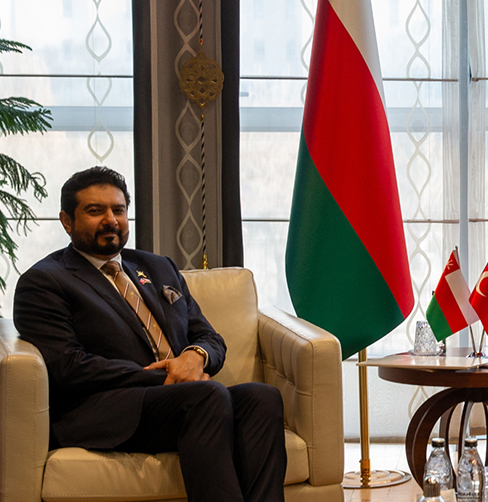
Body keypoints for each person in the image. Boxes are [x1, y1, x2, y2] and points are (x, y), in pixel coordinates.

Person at [13, 166, 287, 502]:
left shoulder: (158, 267)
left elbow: (208, 336)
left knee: (262, 398)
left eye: (118, 210)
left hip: (182, 399)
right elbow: (67, 366)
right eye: (95, 211)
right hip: (107, 409)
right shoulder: (44, 281)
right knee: (206, 397)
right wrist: (168, 376)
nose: (110, 220)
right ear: (67, 221)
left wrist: (195, 356)